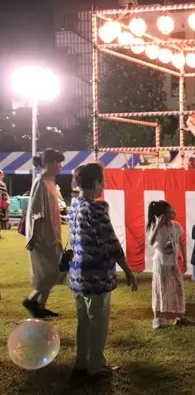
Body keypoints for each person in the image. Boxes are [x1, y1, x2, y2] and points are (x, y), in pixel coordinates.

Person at [67, 163, 138, 379]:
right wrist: (128, 271)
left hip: (78, 274)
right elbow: (110, 243)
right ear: (97, 182)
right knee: (98, 322)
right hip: (96, 275)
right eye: (103, 181)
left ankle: (82, 363)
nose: (103, 186)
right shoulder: (95, 209)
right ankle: (96, 365)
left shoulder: (74, 206)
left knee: (84, 322)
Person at [22, 149, 65, 318]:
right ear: (49, 163)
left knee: (54, 271)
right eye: (58, 162)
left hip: (52, 235)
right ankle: (32, 300)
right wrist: (34, 236)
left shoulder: (51, 182)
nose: (60, 166)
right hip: (42, 236)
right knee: (50, 271)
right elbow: (37, 212)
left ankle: (39, 306)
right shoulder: (40, 182)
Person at [147, 200, 187, 329]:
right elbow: (151, 242)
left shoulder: (176, 226)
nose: (173, 213)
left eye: (173, 210)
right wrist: (158, 226)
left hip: (173, 263)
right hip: (161, 264)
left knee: (178, 287)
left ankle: (180, 316)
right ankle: (156, 318)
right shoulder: (156, 227)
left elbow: (180, 243)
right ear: (162, 215)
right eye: (170, 212)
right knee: (160, 289)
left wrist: (184, 259)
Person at [0, 169, 9, 238]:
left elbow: (6, 193)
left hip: (3, 204)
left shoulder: (3, 184)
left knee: (1, 219)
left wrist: (8, 200)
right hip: (1, 203)